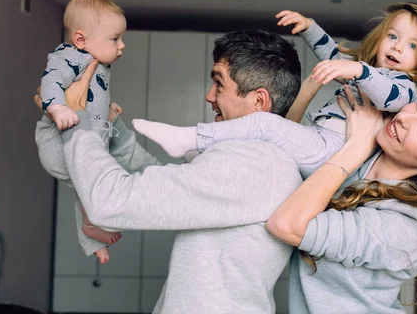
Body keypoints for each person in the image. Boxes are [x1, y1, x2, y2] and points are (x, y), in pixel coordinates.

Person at [36, 30, 304, 314]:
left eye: (219, 84)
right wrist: (115, 131)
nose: (209, 95)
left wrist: (78, 120)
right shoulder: (258, 161)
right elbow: (165, 185)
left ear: (259, 101)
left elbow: (110, 202)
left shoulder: (252, 165)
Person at [265, 84, 417, 313]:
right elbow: (284, 156)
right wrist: (310, 85)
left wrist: (357, 146)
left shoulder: (412, 229)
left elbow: (286, 225)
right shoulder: (364, 155)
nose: (404, 118)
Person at [131, 3, 417, 179]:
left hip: (333, 150)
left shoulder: (406, 90)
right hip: (321, 141)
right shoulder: (362, 72)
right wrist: (310, 28)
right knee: (264, 143)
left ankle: (187, 140)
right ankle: (201, 154)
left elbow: (384, 92)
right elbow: (333, 57)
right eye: (392, 36)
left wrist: (358, 70)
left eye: (411, 45)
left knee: (266, 126)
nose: (397, 47)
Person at [35, 0, 126, 263]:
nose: (122, 46)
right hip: (58, 141)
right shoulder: (68, 56)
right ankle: (92, 225)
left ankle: (91, 237)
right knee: (93, 185)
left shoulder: (93, 60)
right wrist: (58, 107)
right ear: (80, 39)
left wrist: (106, 112)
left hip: (83, 138)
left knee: (89, 185)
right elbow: (51, 81)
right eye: (115, 39)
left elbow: (90, 95)